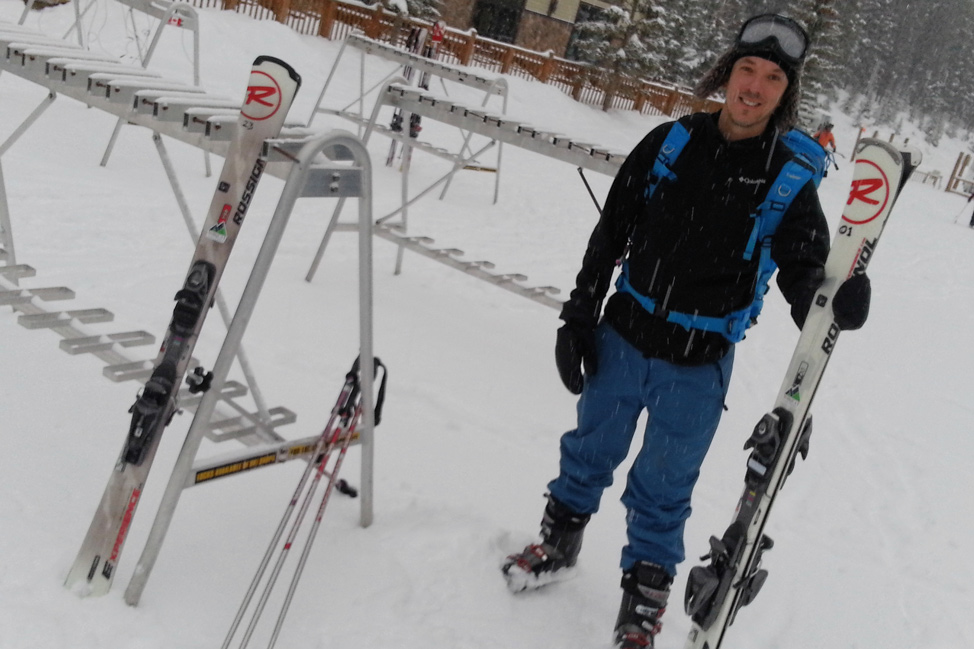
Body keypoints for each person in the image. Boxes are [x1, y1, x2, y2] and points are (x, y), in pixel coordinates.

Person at [501, 13, 872, 649]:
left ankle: (641, 613)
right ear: (727, 74)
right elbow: (610, 233)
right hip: (622, 335)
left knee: (663, 490)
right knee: (589, 450)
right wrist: (577, 315)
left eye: (772, 78)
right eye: (747, 71)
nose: (754, 87)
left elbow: (804, 274)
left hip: (697, 365)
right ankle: (558, 546)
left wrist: (835, 298)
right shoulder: (671, 142)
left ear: (787, 93)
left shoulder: (787, 178)